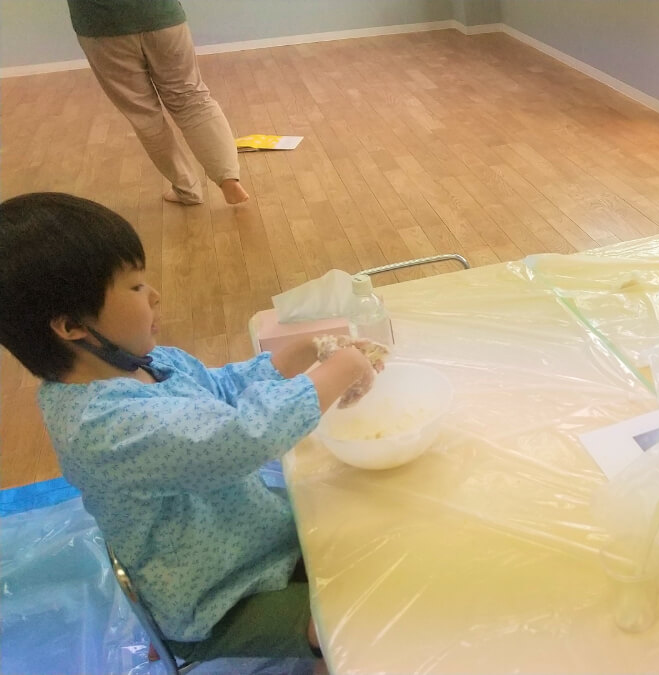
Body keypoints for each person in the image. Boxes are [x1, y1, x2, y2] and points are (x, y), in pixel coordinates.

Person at [0, 192, 383, 663]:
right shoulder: (103, 428)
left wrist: (302, 352)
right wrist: (342, 368)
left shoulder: (145, 363)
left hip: (259, 539)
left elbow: (220, 390)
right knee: (356, 621)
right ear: (71, 326)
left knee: (366, 533)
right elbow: (243, 438)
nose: (154, 295)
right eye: (135, 287)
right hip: (221, 598)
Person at [67, 0, 249, 205]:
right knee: (192, 99)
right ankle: (229, 179)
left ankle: (187, 189)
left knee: (144, 114)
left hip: (101, 26)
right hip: (161, 15)